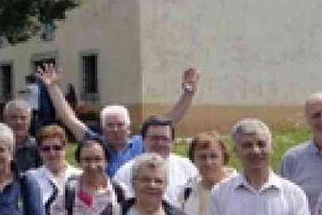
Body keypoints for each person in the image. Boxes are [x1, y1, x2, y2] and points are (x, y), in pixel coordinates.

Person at [36, 62, 200, 170]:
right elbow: (69, 119)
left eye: (120, 125)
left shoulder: (141, 143)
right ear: (102, 128)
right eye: (110, 125)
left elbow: (170, 121)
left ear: (129, 128)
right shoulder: (96, 143)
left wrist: (188, 94)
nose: (115, 129)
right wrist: (52, 88)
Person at [112, 117, 197, 205]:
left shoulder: (187, 168)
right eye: (154, 138)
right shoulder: (125, 172)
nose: (159, 143)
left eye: (164, 139)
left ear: (172, 142)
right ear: (143, 141)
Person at [2, 101, 41, 173]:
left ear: (30, 120)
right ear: (5, 119)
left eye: (23, 118)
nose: (18, 122)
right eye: (13, 117)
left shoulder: (38, 146)